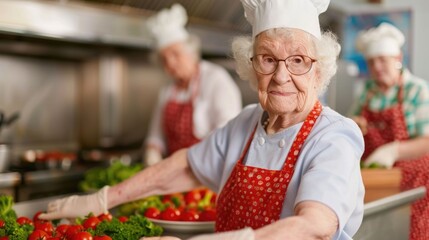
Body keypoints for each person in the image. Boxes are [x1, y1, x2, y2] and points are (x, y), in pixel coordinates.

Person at [40, 0, 365, 239]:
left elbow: (314, 226)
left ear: (319, 70)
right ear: (251, 68)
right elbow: (187, 165)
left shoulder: (334, 137)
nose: (281, 76)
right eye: (267, 59)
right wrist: (105, 198)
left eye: (297, 60)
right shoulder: (247, 121)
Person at [351, 22, 429, 240]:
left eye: (382, 60)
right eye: (371, 62)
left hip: (413, 182)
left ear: (398, 59)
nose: (376, 67)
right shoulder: (367, 91)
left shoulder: (417, 90)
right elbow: (351, 125)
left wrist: (393, 151)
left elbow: (427, 140)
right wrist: (354, 123)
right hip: (374, 179)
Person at [143, 4, 242, 166]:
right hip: (174, 171)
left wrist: (196, 163)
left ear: (191, 51)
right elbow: (156, 135)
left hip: (210, 169)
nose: (170, 63)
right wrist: (152, 153)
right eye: (164, 59)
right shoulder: (168, 90)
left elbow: (228, 132)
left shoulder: (216, 79)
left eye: (175, 54)